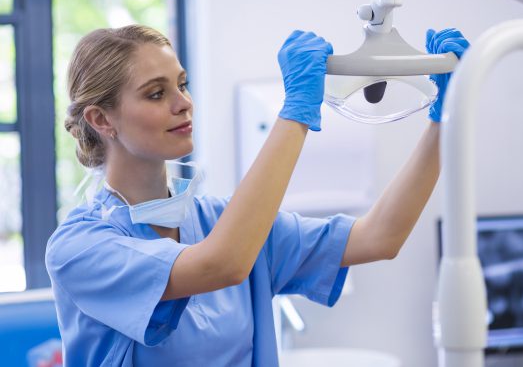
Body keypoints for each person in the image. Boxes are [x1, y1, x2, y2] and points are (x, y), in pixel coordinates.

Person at [45, 25, 469, 366]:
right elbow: (222, 264)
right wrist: (296, 111)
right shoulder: (79, 249)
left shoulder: (220, 221)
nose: (183, 103)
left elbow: (381, 237)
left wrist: (445, 118)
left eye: (182, 84)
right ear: (101, 119)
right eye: (157, 93)